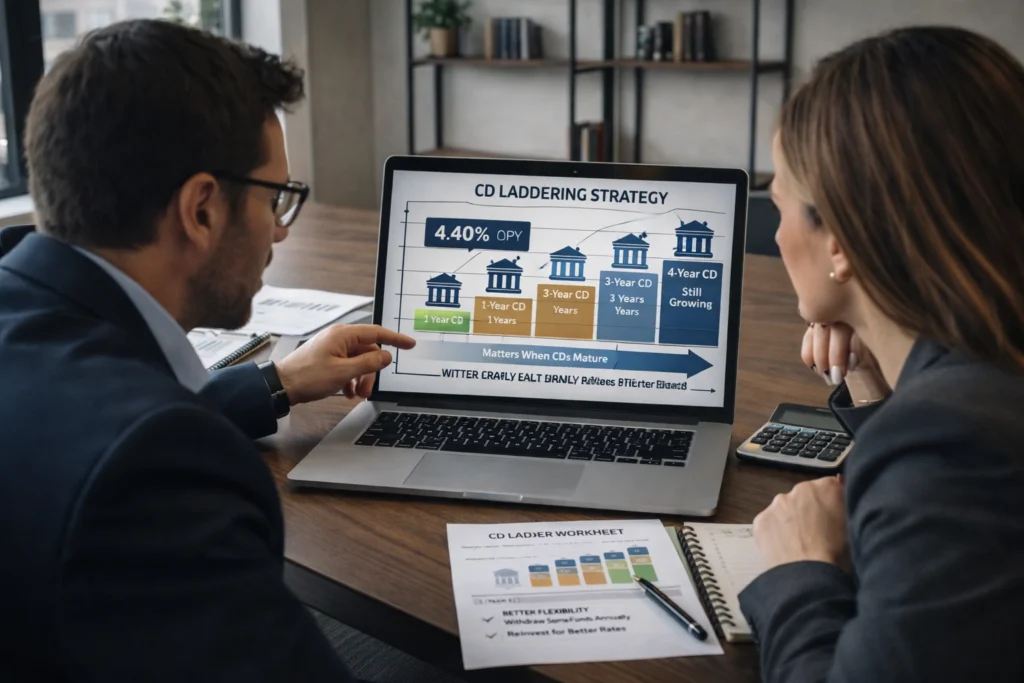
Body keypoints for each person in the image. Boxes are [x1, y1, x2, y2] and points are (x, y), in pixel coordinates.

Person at [0, 19, 416, 681]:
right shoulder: (159, 471)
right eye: (275, 198)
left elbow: (89, 431)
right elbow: (134, 453)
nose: (278, 232)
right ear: (200, 209)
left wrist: (277, 381)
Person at [737, 26, 1024, 683]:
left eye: (777, 203)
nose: (776, 234)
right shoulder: (985, 374)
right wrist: (874, 380)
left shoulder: (950, 443)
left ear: (839, 241)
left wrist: (799, 568)